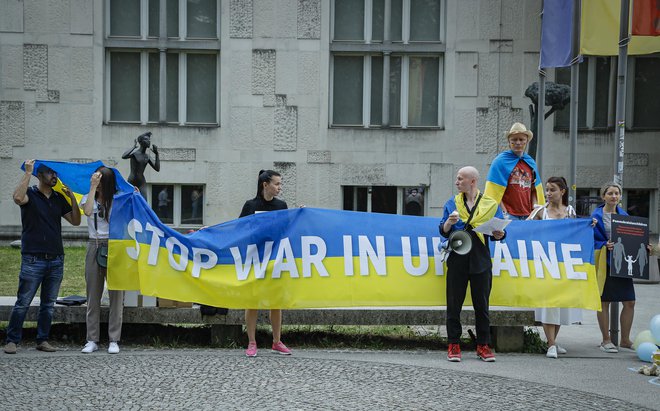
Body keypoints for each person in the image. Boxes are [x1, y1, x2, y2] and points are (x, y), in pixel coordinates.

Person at [4, 160, 81, 354]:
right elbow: (17, 198)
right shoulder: (30, 194)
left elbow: (75, 220)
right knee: (23, 302)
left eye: (55, 174)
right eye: (50, 173)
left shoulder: (57, 198)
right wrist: (28, 173)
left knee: (48, 304)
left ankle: (42, 340)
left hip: (56, 259)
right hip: (33, 259)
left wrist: (70, 196)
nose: (54, 176)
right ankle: (12, 340)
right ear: (40, 175)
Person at [439, 166, 505, 362]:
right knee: (453, 304)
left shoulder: (491, 204)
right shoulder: (452, 203)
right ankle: (453, 345)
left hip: (481, 260)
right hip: (458, 259)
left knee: (482, 305)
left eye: (461, 179)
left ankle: (483, 346)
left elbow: (499, 231)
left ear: (473, 181)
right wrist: (449, 224)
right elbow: (443, 231)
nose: (457, 182)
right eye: (457, 179)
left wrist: (499, 234)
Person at [527, 176, 582, 358]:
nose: (549, 194)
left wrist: (590, 226)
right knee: (548, 303)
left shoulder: (571, 211)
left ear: (562, 192)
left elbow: (577, 232)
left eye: (552, 190)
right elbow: (523, 229)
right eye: (547, 190)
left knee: (560, 303)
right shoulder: (540, 212)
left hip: (565, 264)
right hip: (545, 263)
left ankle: (553, 342)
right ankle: (550, 343)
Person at [240, 170, 291, 357]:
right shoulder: (250, 205)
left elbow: (287, 229)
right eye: (277, 184)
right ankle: (252, 343)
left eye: (280, 184)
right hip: (255, 259)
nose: (280, 187)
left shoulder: (281, 205)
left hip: (275, 259)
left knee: (275, 301)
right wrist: (212, 230)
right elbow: (237, 229)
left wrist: (301, 214)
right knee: (252, 301)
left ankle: (277, 342)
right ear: (265, 185)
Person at [591, 182, 647, 352]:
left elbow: (633, 239)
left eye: (617, 193)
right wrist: (603, 245)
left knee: (630, 301)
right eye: (610, 193)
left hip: (622, 263)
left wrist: (645, 247)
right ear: (603, 197)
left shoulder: (625, 216)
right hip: (604, 263)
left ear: (620, 197)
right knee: (604, 301)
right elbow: (587, 240)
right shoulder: (594, 217)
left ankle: (625, 340)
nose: (614, 196)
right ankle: (606, 340)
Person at [80, 167, 124, 354]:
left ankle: (114, 339)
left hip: (115, 246)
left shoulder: (119, 199)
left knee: (116, 296)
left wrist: (135, 195)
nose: (98, 183)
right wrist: (92, 188)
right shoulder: (88, 197)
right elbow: (88, 211)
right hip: (95, 244)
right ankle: (92, 339)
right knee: (93, 295)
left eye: (100, 181)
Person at [485, 122, 545, 220]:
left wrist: (535, 211)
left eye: (521, 139)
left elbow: (534, 189)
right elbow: (494, 192)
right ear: (509, 141)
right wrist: (504, 213)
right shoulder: (500, 161)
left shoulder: (530, 162)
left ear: (526, 141)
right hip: (509, 216)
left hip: (529, 215)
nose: (518, 143)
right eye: (514, 140)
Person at [122, 132, 160, 197]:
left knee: (144, 200)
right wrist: (133, 147)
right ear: (141, 142)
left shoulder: (147, 156)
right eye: (146, 139)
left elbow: (157, 168)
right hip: (132, 180)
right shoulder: (135, 154)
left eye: (149, 140)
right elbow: (124, 156)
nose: (149, 141)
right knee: (129, 200)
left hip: (141, 181)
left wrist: (157, 154)